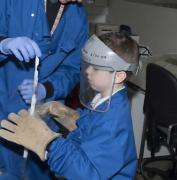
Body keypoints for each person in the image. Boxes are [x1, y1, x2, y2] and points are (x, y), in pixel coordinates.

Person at [0, 32, 139, 179]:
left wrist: (49, 142)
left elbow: (86, 175)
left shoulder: (112, 122)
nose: (87, 71)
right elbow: (92, 132)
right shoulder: (104, 99)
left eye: (96, 68)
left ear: (119, 76)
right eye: (88, 65)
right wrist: (69, 115)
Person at [0, 0, 88, 179]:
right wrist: (3, 44)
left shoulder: (78, 18)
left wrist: (47, 88)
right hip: (3, 109)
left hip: (43, 118)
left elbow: (72, 69)